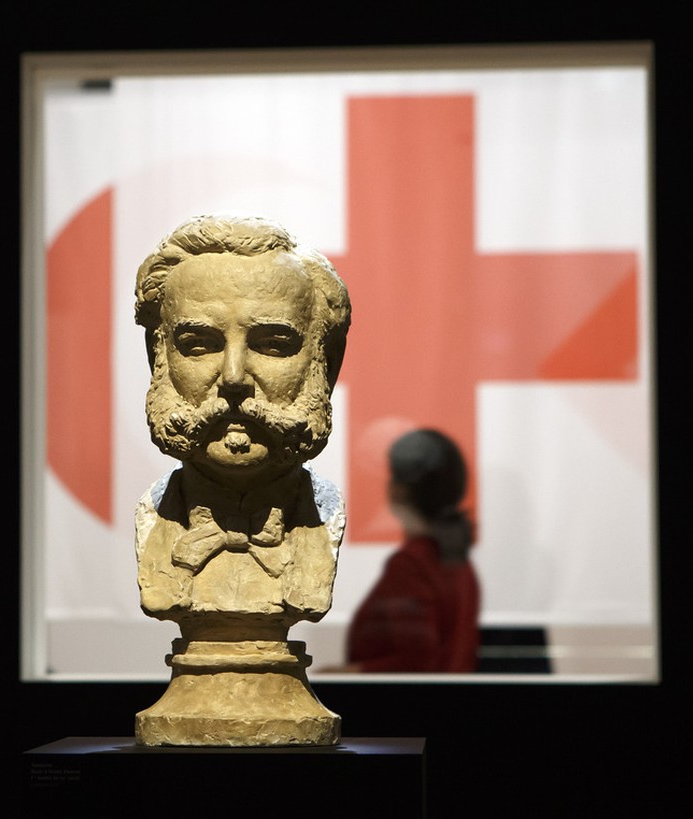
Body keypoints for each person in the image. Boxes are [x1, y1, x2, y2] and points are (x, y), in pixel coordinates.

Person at [132, 213, 352, 643]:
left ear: (326, 362)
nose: (234, 377)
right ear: (157, 358)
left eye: (273, 345)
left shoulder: (324, 514)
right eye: (199, 345)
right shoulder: (154, 513)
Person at [338, 428, 480, 673]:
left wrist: (346, 675)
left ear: (399, 489)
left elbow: (417, 661)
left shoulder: (411, 565)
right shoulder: (459, 563)